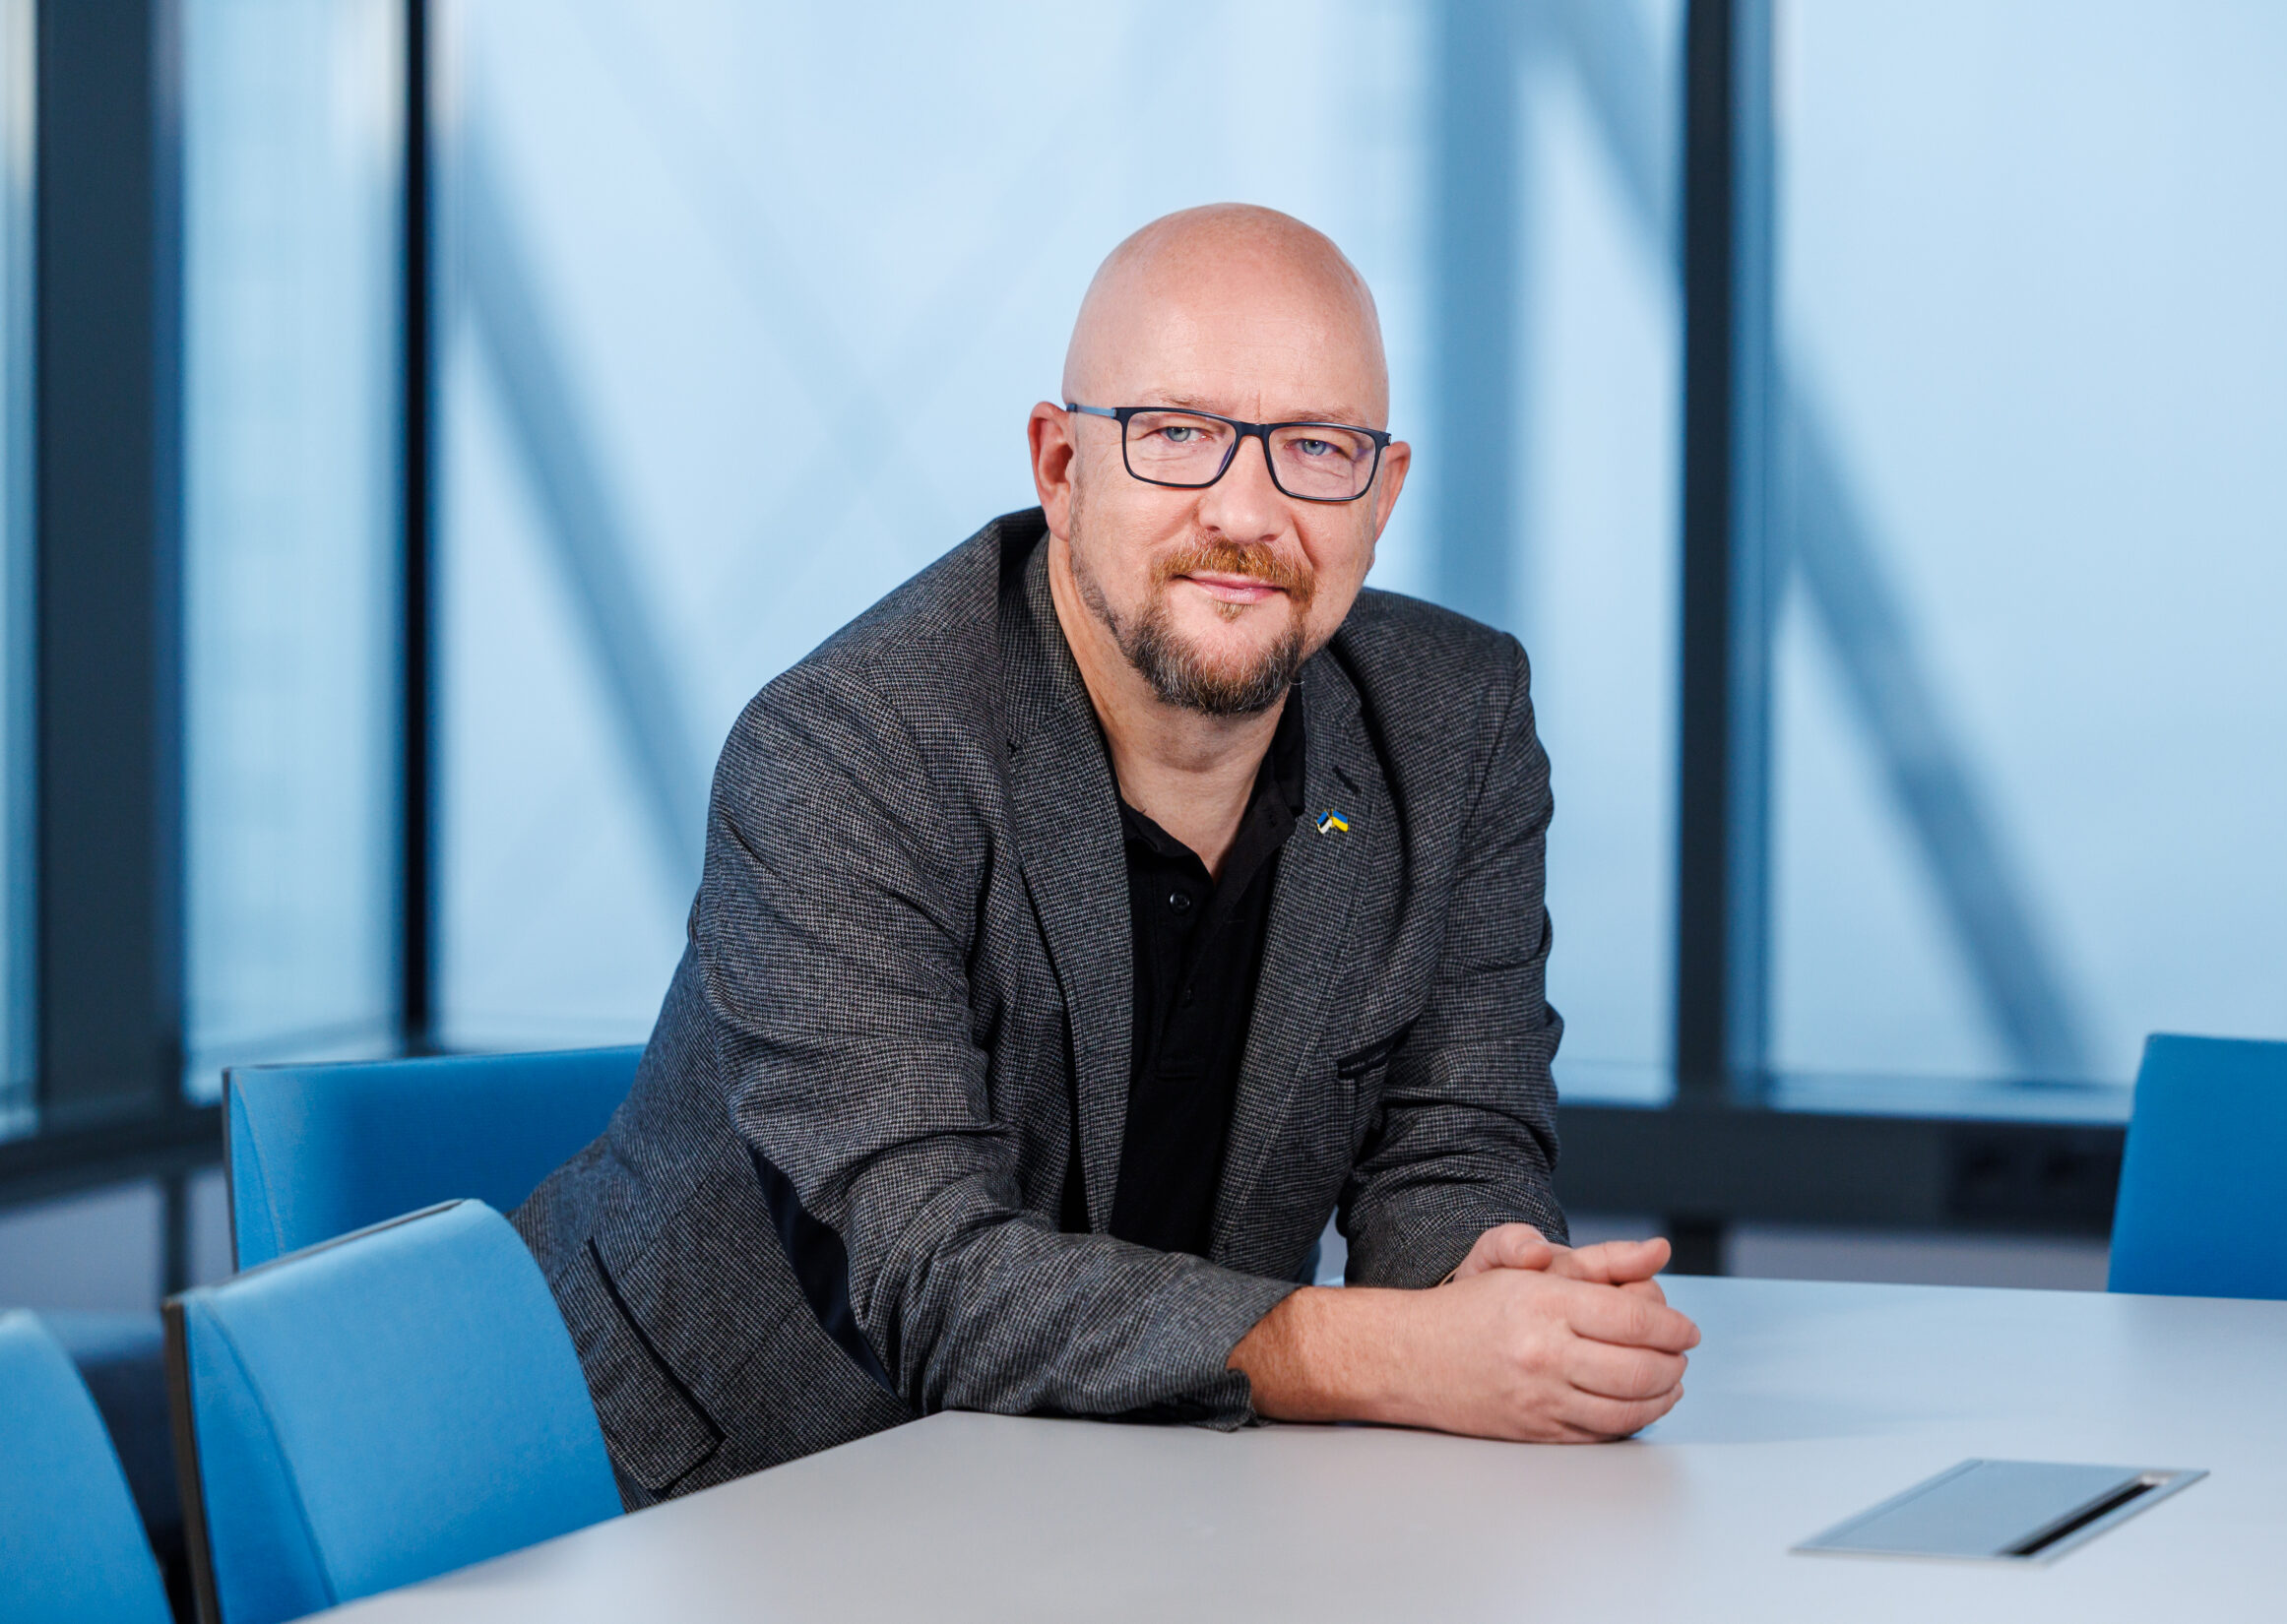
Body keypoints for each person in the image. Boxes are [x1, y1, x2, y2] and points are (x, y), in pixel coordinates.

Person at [514, 203, 1701, 1506]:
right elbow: (931, 1278)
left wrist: (1497, 1301)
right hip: (694, 1498)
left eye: (1316, 448)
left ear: (1383, 493)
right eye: (1176, 433)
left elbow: (1453, 1148)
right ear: (1062, 466)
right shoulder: (851, 749)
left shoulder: (1452, 722)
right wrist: (1383, 1352)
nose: (1245, 511)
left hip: (1138, 1490)